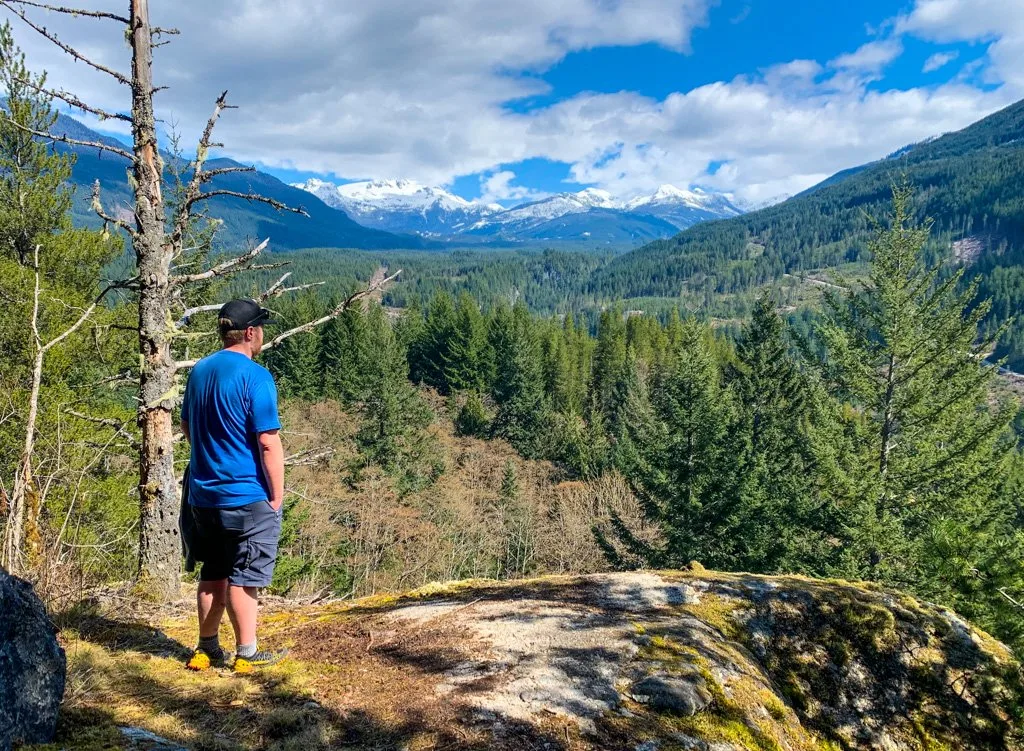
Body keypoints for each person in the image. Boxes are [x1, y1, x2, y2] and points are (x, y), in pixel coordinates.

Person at [180, 298, 288, 673]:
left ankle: (206, 647)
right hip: (247, 495)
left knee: (213, 571)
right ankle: (247, 652)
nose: (262, 335)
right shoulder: (256, 376)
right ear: (250, 332)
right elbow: (268, 441)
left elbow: (186, 427)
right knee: (246, 577)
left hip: (203, 495)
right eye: (261, 328)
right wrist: (276, 495)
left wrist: (208, 458)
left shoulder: (199, 371)